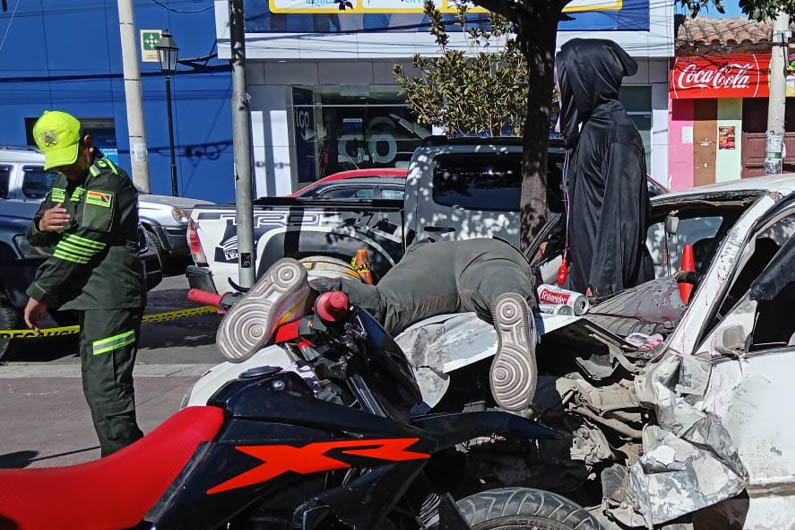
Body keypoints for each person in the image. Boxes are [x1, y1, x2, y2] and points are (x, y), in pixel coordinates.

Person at [218, 238, 540, 412]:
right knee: (498, 282)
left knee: (384, 304)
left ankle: (314, 290)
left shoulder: (421, 250)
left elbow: (382, 303)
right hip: (496, 254)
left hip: (431, 257)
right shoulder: (507, 250)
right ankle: (508, 302)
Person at [23, 111, 145, 456]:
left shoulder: (108, 181)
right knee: (98, 386)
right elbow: (40, 237)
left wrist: (39, 294)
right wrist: (42, 224)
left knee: (108, 388)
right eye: (57, 162)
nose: (64, 169)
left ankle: (124, 469)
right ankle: (132, 463)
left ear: (88, 144)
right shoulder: (65, 181)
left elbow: (82, 243)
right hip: (88, 299)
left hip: (111, 298)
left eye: (69, 158)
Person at [544, 38, 654, 299]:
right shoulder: (591, 131)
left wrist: (602, 287)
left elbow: (620, 218)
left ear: (586, 81)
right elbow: (580, 201)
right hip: (583, 285)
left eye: (565, 84)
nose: (561, 93)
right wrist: (553, 241)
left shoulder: (618, 137)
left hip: (606, 296)